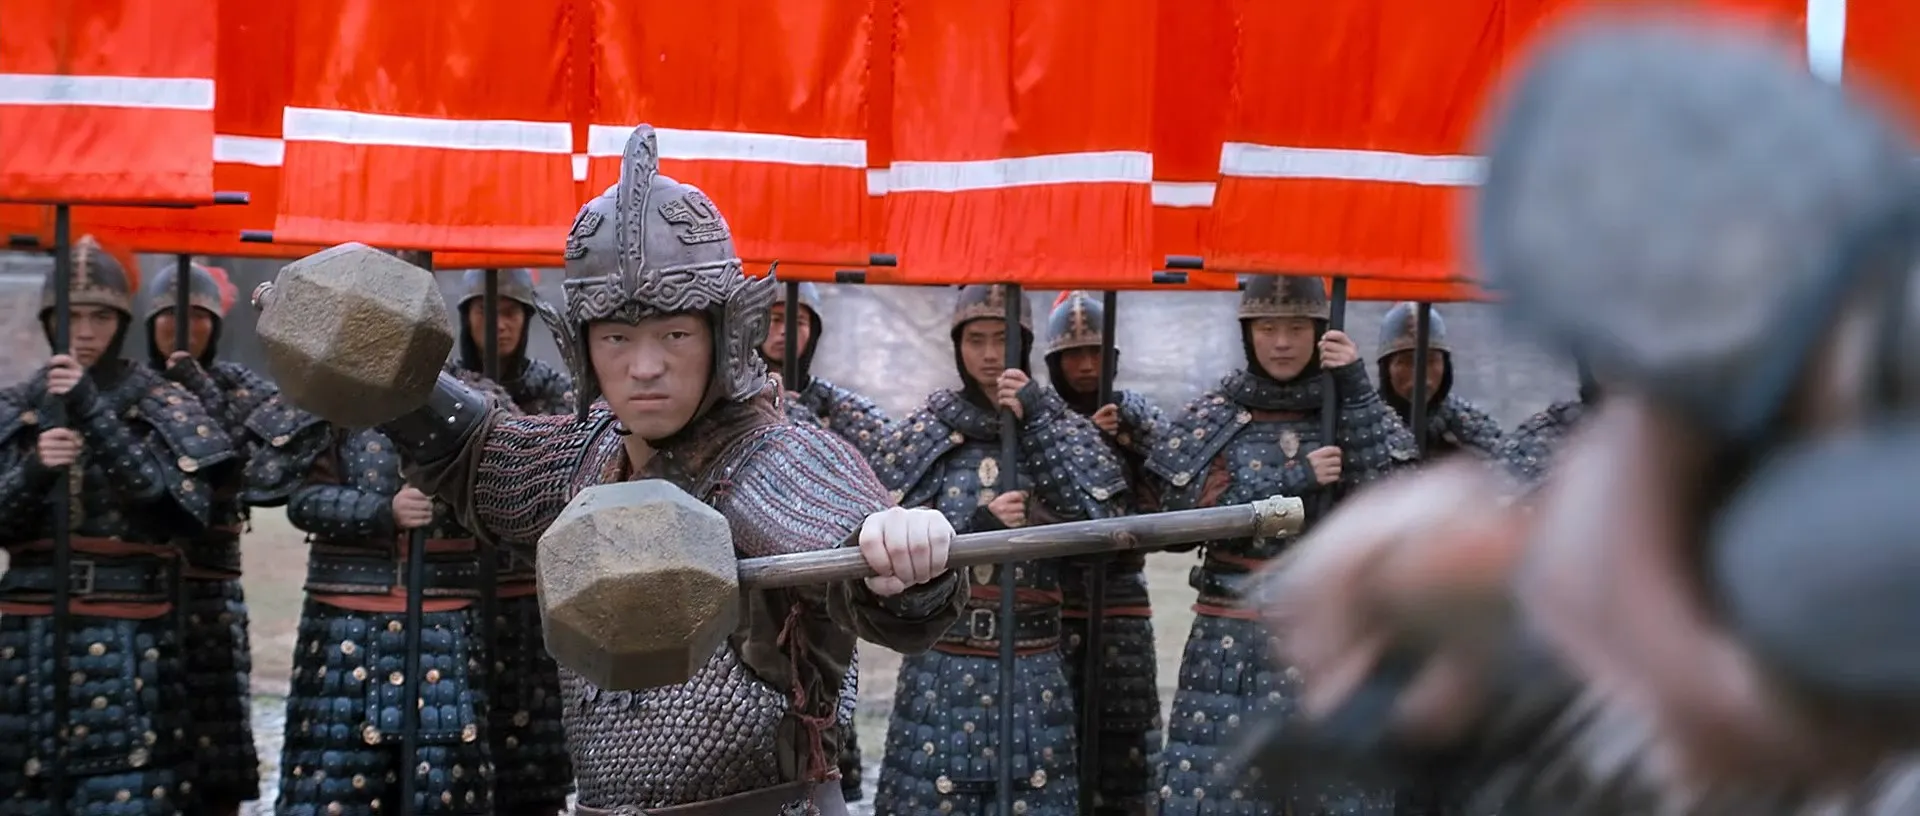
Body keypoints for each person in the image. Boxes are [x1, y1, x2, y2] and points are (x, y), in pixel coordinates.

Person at [348, 124, 968, 815]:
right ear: (583, 346)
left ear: (725, 335)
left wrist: (902, 553)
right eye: (617, 338)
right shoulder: (582, 458)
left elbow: (875, 574)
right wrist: (367, 351)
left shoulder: (783, 459)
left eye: (674, 334)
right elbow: (469, 448)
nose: (644, 367)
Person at [1143, 276, 1414, 816]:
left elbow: (1389, 504)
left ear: (1320, 331)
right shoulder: (1216, 413)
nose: (1283, 342)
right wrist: (1295, 480)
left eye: (1296, 327)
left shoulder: (1354, 409)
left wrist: (1356, 390)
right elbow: (1181, 522)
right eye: (1268, 327)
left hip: (1330, 635)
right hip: (1230, 641)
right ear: (1248, 333)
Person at [868, 283, 1129, 816]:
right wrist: (977, 529)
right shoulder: (927, 430)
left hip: (1034, 662)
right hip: (942, 661)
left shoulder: (1058, 424)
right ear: (958, 345)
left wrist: (1037, 422)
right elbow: (885, 553)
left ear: (1025, 343)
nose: (990, 355)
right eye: (976, 340)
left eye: (1003, 339)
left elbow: (1105, 532)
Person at [0, 238, 236, 814]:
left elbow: (172, 509)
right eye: (72, 316)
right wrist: (34, 471)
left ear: (123, 321)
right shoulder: (18, 405)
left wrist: (91, 410)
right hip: (29, 627)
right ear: (49, 319)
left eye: (100, 317)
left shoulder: (160, 399)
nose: (84, 332)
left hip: (131, 623)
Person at [246, 369, 515, 816]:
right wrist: (382, 510)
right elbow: (303, 502)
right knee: (334, 785)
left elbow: (504, 490)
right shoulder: (335, 399)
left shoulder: (468, 396)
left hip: (443, 613)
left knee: (444, 785)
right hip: (346, 615)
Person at [140, 260, 277, 816]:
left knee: (216, 731)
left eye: (196, 315)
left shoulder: (241, 386)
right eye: (169, 315)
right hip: (142, 587)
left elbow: (255, 457)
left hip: (212, 583)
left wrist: (195, 385)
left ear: (214, 323)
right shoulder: (132, 384)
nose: (181, 327)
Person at [447, 268, 575, 815]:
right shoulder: (443, 385)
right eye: (485, 311)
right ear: (466, 317)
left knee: (534, 767)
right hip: (456, 597)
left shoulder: (557, 390)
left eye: (508, 313)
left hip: (533, 601)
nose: (497, 324)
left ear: (525, 320)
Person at [759, 280, 894, 801]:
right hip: (747, 604)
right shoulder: (719, 408)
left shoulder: (840, 409)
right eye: (772, 319)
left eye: (795, 320)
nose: (783, 332)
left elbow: (894, 469)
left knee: (826, 749)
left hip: (821, 605)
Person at [1043, 290, 1164, 816]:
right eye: (1073, 354)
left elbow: (1169, 498)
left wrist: (1130, 443)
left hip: (1121, 598)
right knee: (1052, 742)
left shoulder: (1137, 416)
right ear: (1055, 362)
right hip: (1054, 597)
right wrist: (1082, 443)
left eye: (1094, 352)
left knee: (1125, 745)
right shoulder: (1039, 422)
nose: (1086, 365)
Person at [1372, 302, 1501, 460]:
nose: (1419, 373)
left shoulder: (1469, 425)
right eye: (1405, 361)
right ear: (1387, 369)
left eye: (1431, 360)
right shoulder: (1368, 424)